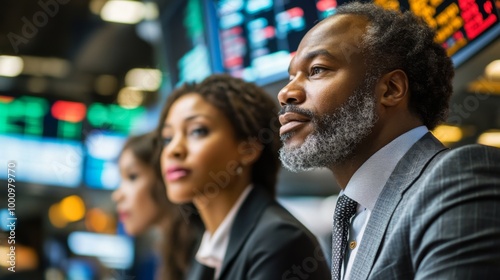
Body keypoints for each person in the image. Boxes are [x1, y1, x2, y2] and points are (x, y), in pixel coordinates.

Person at [277, 2, 500, 280]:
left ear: (391, 89)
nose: (286, 93)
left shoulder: (458, 179)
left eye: (317, 69)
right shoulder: (352, 213)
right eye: (291, 76)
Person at [158, 74, 330, 280]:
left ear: (248, 148)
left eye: (197, 131)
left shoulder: (278, 240)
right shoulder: (208, 242)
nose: (173, 150)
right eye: (168, 138)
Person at [112, 132, 201, 280]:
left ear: (165, 177)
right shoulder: (171, 250)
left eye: (132, 177)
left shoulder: (202, 252)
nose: (117, 195)